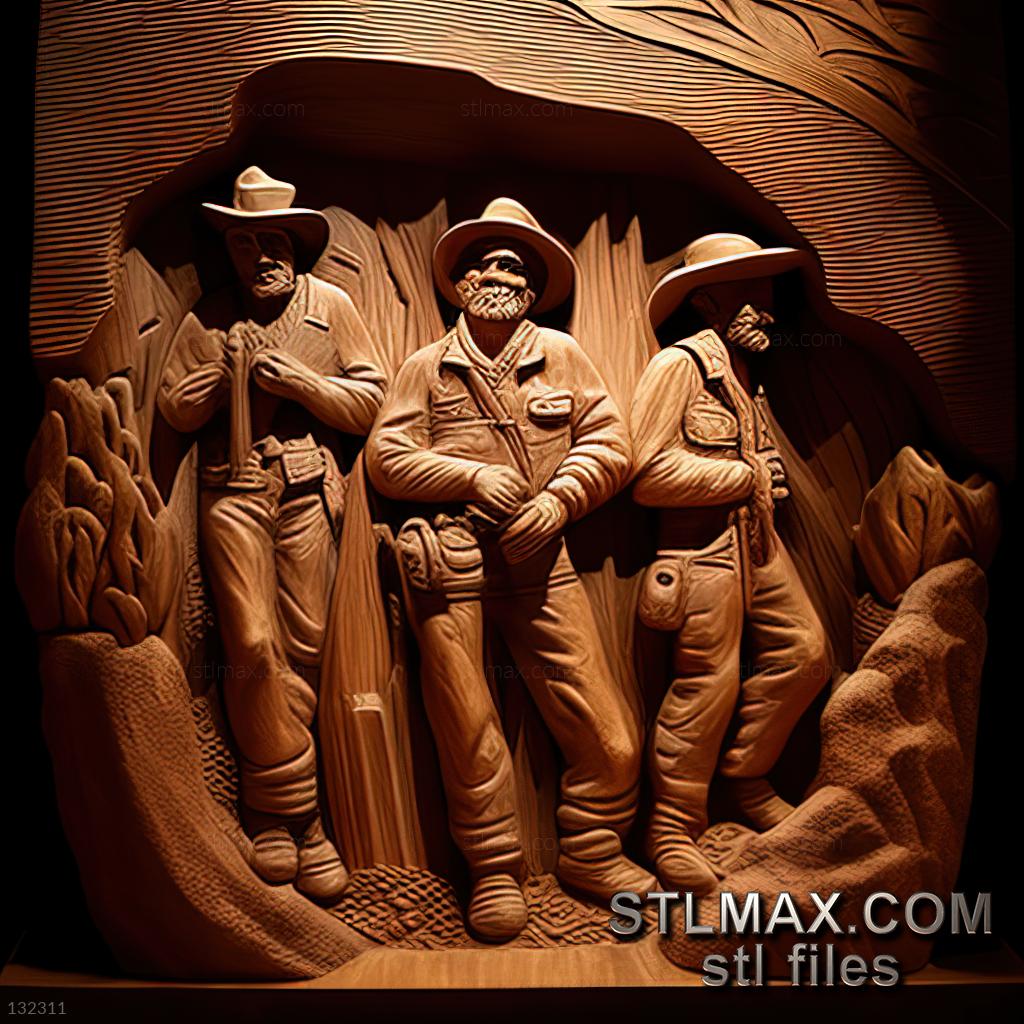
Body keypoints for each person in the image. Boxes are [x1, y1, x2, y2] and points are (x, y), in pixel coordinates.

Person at [366, 198, 655, 941]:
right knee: (465, 722)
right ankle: (493, 868)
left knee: (609, 731)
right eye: (484, 264)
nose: (498, 275)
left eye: (514, 267)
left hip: (541, 558)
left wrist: (558, 503)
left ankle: (592, 847)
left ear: (533, 287)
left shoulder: (561, 355)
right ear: (460, 281)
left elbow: (611, 443)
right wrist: (467, 477)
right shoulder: (426, 367)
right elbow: (386, 457)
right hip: (451, 562)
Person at [159, 166, 387, 901]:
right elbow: (174, 408)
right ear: (229, 250)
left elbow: (372, 401)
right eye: (244, 243)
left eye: (274, 241)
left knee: (307, 649)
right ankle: (291, 817)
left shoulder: (331, 308)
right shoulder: (212, 317)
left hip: (306, 490)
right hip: (232, 491)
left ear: (295, 243)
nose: (261, 256)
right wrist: (223, 377)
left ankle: (284, 811)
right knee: (253, 647)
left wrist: (303, 386)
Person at [630, 233, 830, 894]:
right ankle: (672, 828)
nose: (766, 304)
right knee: (705, 687)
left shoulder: (745, 373)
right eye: (748, 291)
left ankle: (746, 777)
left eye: (766, 288)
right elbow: (646, 473)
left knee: (806, 653)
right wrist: (743, 476)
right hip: (701, 554)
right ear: (707, 300)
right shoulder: (679, 366)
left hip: (758, 544)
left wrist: (763, 476)